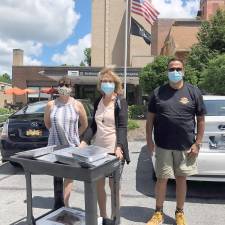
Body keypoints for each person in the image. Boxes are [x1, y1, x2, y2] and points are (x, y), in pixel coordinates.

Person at [146, 58, 206, 225]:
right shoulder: (158, 92)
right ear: (167, 71)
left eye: (178, 68)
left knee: (181, 179)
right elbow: (150, 120)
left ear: (183, 70)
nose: (175, 72)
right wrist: (149, 142)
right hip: (163, 145)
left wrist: (197, 143)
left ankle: (179, 212)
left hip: (185, 146)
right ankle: (158, 212)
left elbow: (200, 120)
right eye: (172, 69)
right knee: (162, 179)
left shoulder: (193, 92)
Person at [80, 67, 130, 223]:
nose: (106, 83)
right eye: (103, 81)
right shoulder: (98, 102)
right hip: (97, 152)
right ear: (99, 84)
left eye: (109, 81)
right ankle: (103, 217)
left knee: (114, 187)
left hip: (115, 151)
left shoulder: (120, 102)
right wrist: (84, 141)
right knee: (98, 186)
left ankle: (116, 219)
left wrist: (120, 146)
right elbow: (93, 126)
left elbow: (122, 127)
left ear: (115, 84)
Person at [44, 77, 88, 209]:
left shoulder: (77, 105)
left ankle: (66, 204)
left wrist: (75, 136)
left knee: (69, 176)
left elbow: (84, 125)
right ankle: (58, 204)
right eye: (61, 84)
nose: (64, 87)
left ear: (71, 88)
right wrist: (56, 133)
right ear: (58, 87)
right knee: (57, 175)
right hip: (55, 146)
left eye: (67, 85)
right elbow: (47, 123)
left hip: (71, 147)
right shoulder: (51, 105)